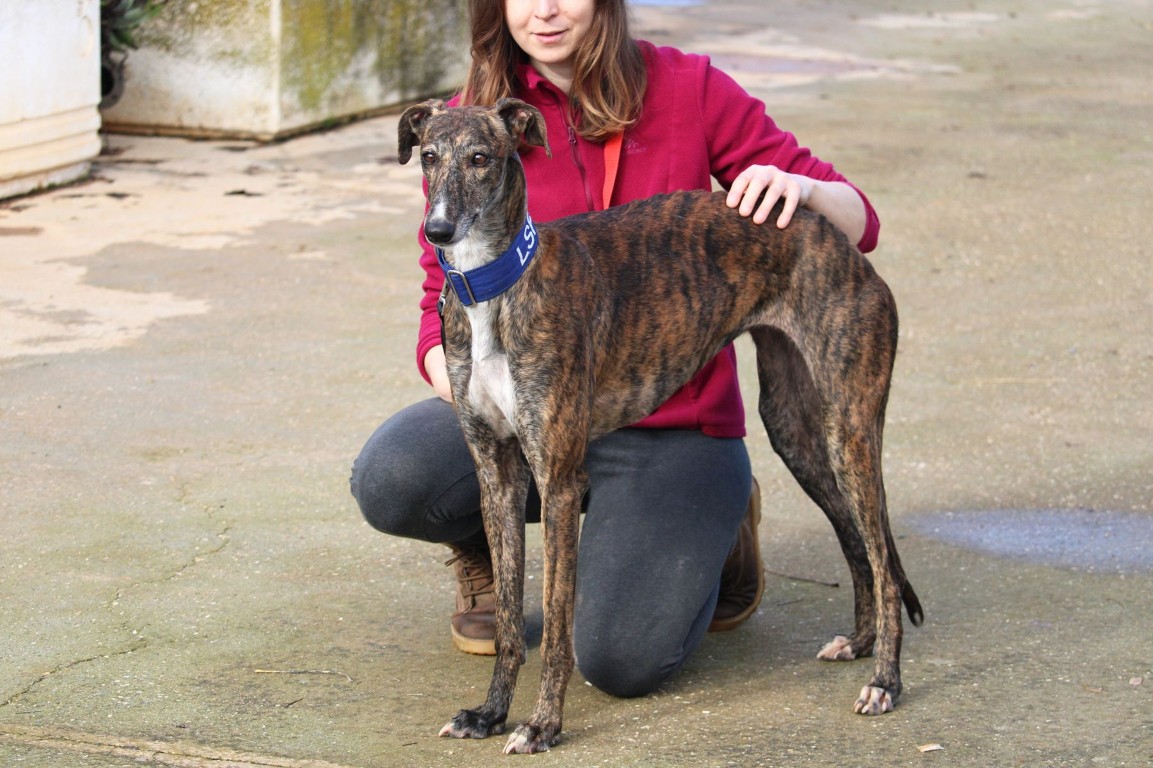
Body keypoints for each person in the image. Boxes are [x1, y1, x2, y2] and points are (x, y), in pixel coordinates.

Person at [350, 0, 879, 699]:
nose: (544, 10)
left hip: (671, 427)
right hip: (533, 400)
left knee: (620, 658)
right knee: (394, 475)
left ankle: (719, 527)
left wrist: (802, 188)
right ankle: (487, 550)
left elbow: (860, 222)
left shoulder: (688, 87)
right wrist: (494, 405)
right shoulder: (471, 125)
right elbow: (436, 298)